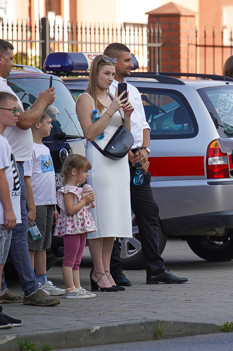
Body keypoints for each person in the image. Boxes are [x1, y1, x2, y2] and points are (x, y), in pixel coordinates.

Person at [104, 43, 187, 286]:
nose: (132, 64)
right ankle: (113, 270)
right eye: (126, 60)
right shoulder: (104, 90)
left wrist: (145, 151)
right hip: (117, 160)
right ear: (113, 62)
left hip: (138, 161)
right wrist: (128, 151)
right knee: (117, 215)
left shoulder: (132, 88)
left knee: (148, 212)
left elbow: (144, 125)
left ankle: (156, 269)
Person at [0, 39, 58, 307]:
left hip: (15, 164)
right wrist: (41, 101)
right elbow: (23, 122)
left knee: (11, 230)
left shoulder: (5, 86)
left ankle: (4, 288)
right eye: (10, 57)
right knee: (18, 228)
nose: (13, 62)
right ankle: (30, 288)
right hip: (13, 165)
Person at [75, 54, 134, 292]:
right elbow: (90, 133)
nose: (110, 79)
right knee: (99, 218)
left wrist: (127, 116)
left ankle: (107, 270)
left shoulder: (112, 97)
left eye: (112, 74)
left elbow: (123, 134)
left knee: (113, 219)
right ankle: (98, 271)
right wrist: (110, 110)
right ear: (95, 73)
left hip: (118, 162)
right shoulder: (85, 99)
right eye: (106, 74)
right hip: (99, 160)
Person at [28, 109, 63, 296]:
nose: (51, 126)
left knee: (43, 244)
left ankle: (42, 279)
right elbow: (29, 180)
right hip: (37, 203)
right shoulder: (30, 149)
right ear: (37, 124)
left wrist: (55, 206)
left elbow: (49, 179)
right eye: (48, 122)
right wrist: (31, 206)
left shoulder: (45, 148)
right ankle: (31, 281)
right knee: (33, 244)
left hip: (48, 203)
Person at [0, 91, 27, 326]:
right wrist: (9, 209)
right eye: (13, 110)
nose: (18, 114)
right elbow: (1, 178)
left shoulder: (5, 141)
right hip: (2, 214)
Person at [55, 154, 97, 298]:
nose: (87, 175)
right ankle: (70, 288)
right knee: (69, 259)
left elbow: (81, 207)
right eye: (85, 171)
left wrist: (88, 201)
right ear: (74, 171)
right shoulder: (68, 190)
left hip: (80, 228)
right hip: (72, 229)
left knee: (77, 260)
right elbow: (70, 209)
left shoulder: (79, 189)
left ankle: (77, 287)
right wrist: (84, 201)